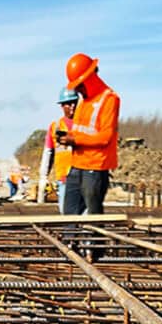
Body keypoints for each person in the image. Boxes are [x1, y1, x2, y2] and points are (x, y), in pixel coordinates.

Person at [58, 53, 120, 215]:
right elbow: (81, 131)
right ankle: (70, 241)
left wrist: (75, 139)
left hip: (95, 168)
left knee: (92, 217)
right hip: (76, 166)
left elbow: (105, 137)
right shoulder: (83, 102)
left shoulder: (109, 99)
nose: (77, 89)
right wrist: (68, 137)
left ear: (90, 78)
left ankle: (95, 241)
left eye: (79, 84)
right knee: (69, 215)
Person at [37, 88, 78, 213]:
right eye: (68, 103)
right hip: (64, 177)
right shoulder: (56, 127)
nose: (72, 106)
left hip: (84, 177)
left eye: (74, 102)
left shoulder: (84, 125)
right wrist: (43, 177)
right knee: (67, 214)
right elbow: (48, 153)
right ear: (62, 106)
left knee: (84, 217)